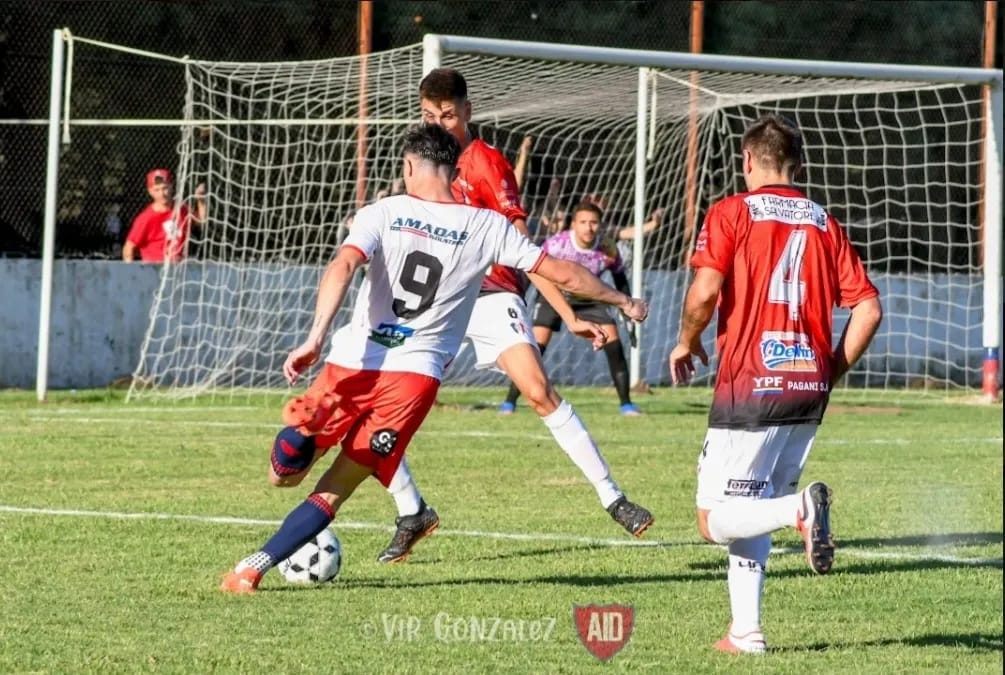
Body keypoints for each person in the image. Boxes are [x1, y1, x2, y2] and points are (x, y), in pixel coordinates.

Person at [219, 123, 649, 593]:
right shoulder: (487, 225)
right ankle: (250, 569)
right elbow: (562, 271)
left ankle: (303, 434)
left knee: (282, 476)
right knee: (337, 486)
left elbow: (343, 265)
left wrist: (314, 337)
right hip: (413, 380)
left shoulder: (383, 211)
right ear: (455, 171)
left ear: (408, 166)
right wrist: (621, 301)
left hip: (354, 360)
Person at [373, 67, 656, 565]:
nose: (438, 125)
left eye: (448, 116)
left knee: (538, 390)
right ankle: (410, 509)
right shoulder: (419, 162)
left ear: (467, 112)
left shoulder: (487, 164)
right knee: (378, 402)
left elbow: (526, 251)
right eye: (429, 116)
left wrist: (568, 314)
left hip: (490, 292)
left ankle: (613, 497)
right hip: (435, 299)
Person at [667, 114, 882, 654]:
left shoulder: (732, 212)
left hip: (751, 383)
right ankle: (747, 631)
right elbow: (869, 310)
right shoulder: (824, 221)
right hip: (807, 385)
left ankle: (797, 511)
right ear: (798, 167)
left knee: (713, 519)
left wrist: (686, 340)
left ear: (746, 161)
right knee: (754, 500)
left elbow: (704, 292)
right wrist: (828, 371)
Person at [501, 201, 641, 416]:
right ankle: (509, 403)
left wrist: (627, 310)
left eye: (594, 222)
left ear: (601, 225)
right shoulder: (556, 244)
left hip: (589, 300)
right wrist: (519, 297)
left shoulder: (608, 248)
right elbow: (532, 270)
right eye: (583, 222)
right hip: (554, 298)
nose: (588, 228)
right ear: (573, 224)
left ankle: (626, 405)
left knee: (613, 342)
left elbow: (620, 280)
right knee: (535, 347)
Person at [122, 169, 206, 263]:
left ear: (171, 186)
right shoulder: (145, 218)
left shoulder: (182, 209)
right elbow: (128, 248)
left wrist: (201, 201)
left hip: (178, 266)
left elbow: (200, 221)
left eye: (165, 188)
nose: (162, 194)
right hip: (154, 266)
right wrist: (130, 270)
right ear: (150, 192)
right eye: (157, 190)